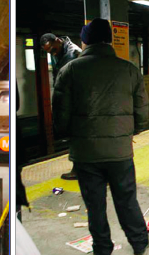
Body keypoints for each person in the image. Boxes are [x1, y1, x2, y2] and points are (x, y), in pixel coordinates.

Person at [51, 18, 149, 255]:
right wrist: (127, 132)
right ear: (109, 39)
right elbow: (142, 114)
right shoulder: (129, 69)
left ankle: (102, 252)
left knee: (95, 205)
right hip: (120, 152)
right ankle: (139, 243)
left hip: (86, 154)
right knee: (126, 200)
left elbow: (60, 115)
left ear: (85, 40)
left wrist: (69, 137)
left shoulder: (70, 70)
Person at [41, 33, 83, 181]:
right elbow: (57, 76)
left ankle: (78, 169)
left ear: (58, 41)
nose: (52, 53)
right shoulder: (57, 53)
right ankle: (80, 168)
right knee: (75, 136)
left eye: (53, 49)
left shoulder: (74, 52)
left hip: (76, 101)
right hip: (67, 98)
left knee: (78, 136)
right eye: (49, 52)